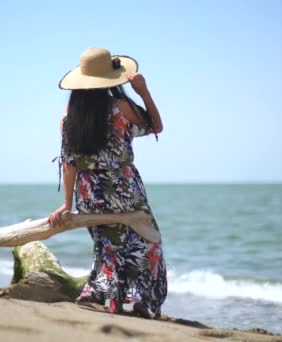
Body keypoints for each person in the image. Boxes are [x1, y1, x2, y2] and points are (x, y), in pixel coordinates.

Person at [48, 47, 167, 318]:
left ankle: (109, 296)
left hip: (89, 192)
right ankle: (141, 300)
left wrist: (67, 204)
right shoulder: (122, 107)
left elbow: (69, 163)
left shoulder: (69, 118)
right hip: (124, 187)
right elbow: (156, 127)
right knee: (148, 239)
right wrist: (143, 92)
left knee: (108, 243)